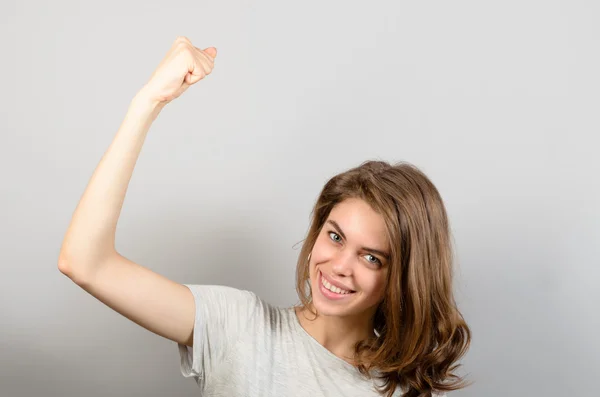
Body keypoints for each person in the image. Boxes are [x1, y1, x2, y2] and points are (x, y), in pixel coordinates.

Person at [58, 36, 471, 397]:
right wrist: (147, 103)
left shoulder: (398, 391)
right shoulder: (240, 328)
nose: (340, 266)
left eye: (371, 257)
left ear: (402, 277)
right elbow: (84, 262)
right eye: (336, 237)